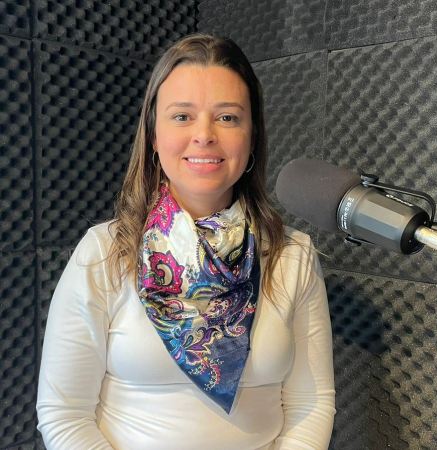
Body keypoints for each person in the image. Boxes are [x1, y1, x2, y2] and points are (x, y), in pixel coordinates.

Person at [36, 33, 336, 449]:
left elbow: (311, 404)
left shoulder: (292, 255)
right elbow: (64, 414)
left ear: (252, 137)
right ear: (154, 137)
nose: (204, 135)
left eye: (227, 117)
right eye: (182, 116)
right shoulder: (104, 251)